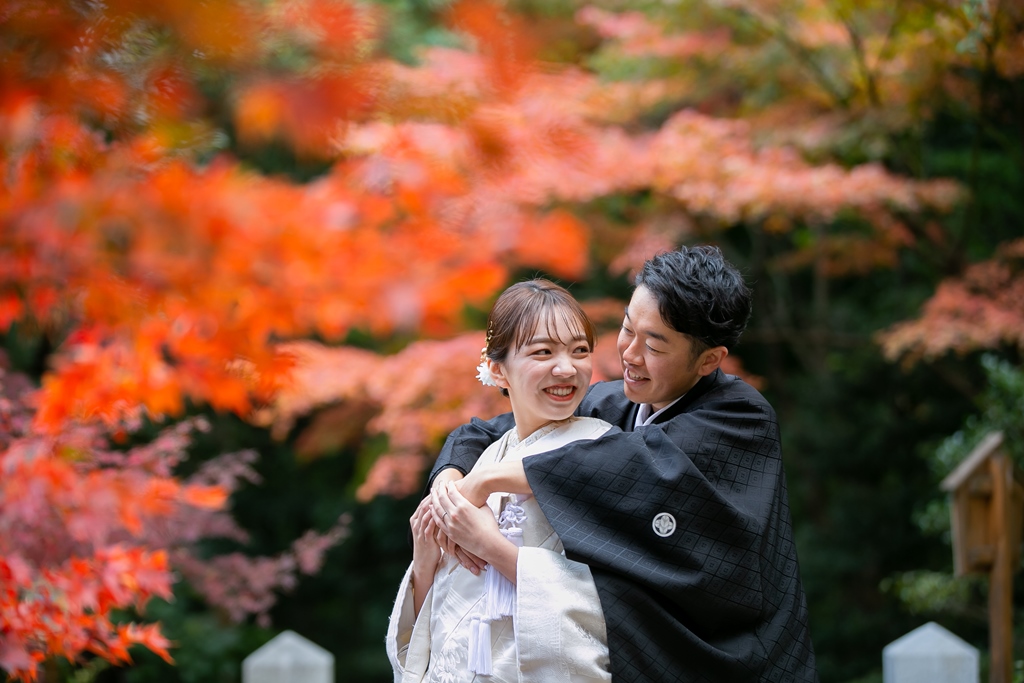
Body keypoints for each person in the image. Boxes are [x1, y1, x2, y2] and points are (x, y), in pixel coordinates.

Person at [428, 246, 818, 683]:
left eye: (653, 345)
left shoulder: (741, 417)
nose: (630, 354)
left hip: (727, 642)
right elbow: (489, 430)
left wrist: (492, 481)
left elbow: (635, 465)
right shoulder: (612, 403)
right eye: (628, 329)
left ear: (708, 360)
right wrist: (451, 477)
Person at [386, 279, 617, 683]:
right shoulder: (485, 460)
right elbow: (441, 621)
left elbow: (615, 598)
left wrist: (490, 547)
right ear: (497, 369)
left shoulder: (606, 450)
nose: (567, 368)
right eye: (543, 352)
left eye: (580, 351)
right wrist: (424, 563)